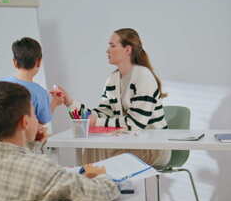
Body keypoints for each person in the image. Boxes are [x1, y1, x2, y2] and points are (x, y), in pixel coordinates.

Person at [55, 28, 171, 167]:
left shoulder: (143, 76)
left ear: (127, 50)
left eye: (112, 45)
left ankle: (97, 185)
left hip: (153, 148)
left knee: (104, 160)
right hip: (127, 142)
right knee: (88, 151)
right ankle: (93, 185)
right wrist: (70, 102)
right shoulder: (113, 79)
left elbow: (135, 124)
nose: (107, 50)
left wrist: (96, 122)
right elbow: (101, 113)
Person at [2, 37, 63, 124]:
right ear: (38, 62)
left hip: (1, 136)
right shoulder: (40, 92)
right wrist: (55, 102)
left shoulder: (0, 85)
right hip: (28, 138)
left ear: (15, 62)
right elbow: (43, 120)